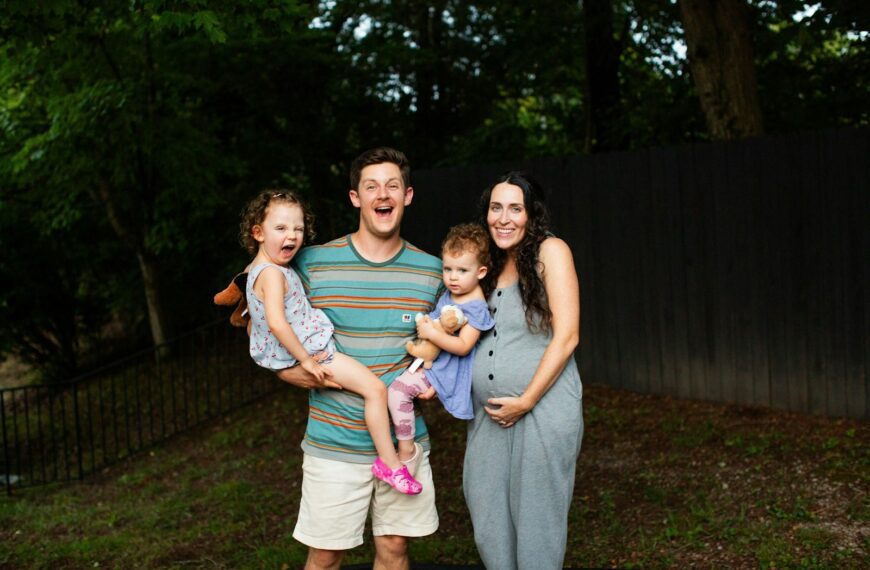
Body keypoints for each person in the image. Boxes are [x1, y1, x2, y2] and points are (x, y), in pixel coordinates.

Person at [277, 148, 442, 570]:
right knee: (326, 556)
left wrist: (436, 384)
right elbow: (270, 330)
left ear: (407, 196)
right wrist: (296, 375)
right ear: (355, 197)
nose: (381, 194)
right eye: (371, 186)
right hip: (333, 443)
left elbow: (450, 345)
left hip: (404, 447)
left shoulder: (433, 272)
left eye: (392, 186)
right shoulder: (311, 264)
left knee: (394, 551)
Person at [240, 189, 423, 495]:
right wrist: (307, 360)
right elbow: (275, 322)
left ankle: (390, 463)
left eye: (298, 228)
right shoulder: (272, 274)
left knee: (373, 390)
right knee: (376, 389)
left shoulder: (258, 270)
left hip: (310, 349)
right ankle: (390, 465)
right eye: (281, 228)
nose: (293, 235)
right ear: (258, 232)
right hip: (316, 353)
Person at [464, 171, 584, 570]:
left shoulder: (550, 252)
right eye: (496, 208)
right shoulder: (485, 264)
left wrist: (527, 400)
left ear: (532, 215)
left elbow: (567, 336)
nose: (503, 218)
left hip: (542, 412)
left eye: (515, 208)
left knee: (537, 526)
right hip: (488, 418)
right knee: (489, 522)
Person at [388, 224, 495, 464]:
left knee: (396, 393)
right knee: (392, 390)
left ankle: (407, 452)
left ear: (481, 272)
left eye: (462, 270)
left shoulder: (476, 308)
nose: (453, 276)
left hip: (447, 368)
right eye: (447, 268)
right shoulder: (452, 293)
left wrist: (431, 333)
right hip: (430, 360)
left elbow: (464, 346)